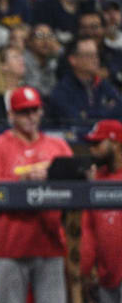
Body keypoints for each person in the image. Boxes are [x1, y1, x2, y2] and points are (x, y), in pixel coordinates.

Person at [0, 86, 71, 303]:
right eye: (23, 112)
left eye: (35, 110)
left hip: (49, 243)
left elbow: (74, 183)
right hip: (10, 246)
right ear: (11, 115)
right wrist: (23, 180)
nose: (31, 117)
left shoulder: (57, 146)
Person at [81, 119, 122, 303]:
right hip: (106, 276)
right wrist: (86, 270)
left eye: (98, 143)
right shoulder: (96, 180)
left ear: (115, 143)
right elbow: (89, 231)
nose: (92, 149)